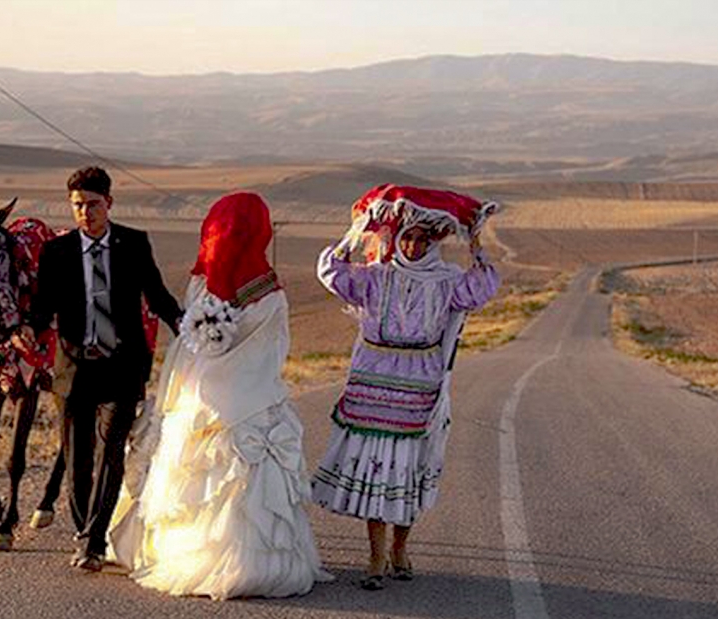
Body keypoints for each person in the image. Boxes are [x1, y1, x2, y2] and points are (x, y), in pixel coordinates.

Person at [106, 192, 330, 599]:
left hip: (200, 395)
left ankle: (188, 554)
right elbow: (272, 349)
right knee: (246, 478)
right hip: (253, 398)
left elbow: (190, 341)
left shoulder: (202, 283)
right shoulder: (269, 292)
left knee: (200, 476)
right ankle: (257, 562)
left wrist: (204, 370)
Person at [311, 185, 500, 590]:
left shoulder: (447, 282)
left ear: (433, 243)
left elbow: (483, 286)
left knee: (408, 471)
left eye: (422, 239)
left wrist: (475, 243)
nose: (413, 246)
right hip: (373, 384)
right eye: (407, 238)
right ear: (396, 240)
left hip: (419, 387)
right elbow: (331, 273)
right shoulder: (376, 277)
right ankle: (375, 558)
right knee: (375, 471)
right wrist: (356, 231)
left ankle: (400, 549)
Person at [19, 165, 182, 571]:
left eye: (92, 204)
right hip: (75, 371)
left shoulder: (134, 244)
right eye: (77, 205)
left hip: (122, 367)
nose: (85, 213)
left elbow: (157, 295)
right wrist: (27, 328)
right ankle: (85, 533)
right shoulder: (56, 251)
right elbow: (43, 307)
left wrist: (186, 326)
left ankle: (92, 544)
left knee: (111, 454)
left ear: (109, 203)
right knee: (78, 461)